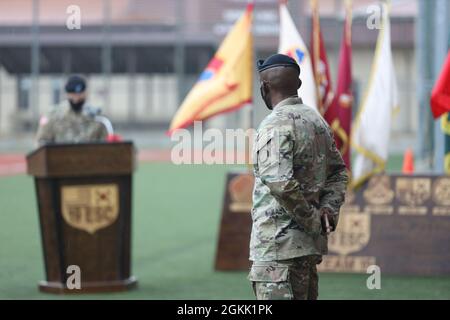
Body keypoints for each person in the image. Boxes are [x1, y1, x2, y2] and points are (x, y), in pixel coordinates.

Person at [248, 54, 348, 300]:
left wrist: (313, 220)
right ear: (299, 85)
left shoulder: (274, 125)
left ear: (265, 87)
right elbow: (338, 172)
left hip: (277, 252)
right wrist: (328, 210)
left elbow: (280, 182)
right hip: (305, 250)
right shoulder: (317, 121)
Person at [35, 75, 111, 146]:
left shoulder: (98, 117)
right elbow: (42, 143)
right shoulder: (53, 115)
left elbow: (105, 144)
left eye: (80, 93)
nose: (76, 98)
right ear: (67, 94)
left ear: (86, 93)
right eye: (73, 93)